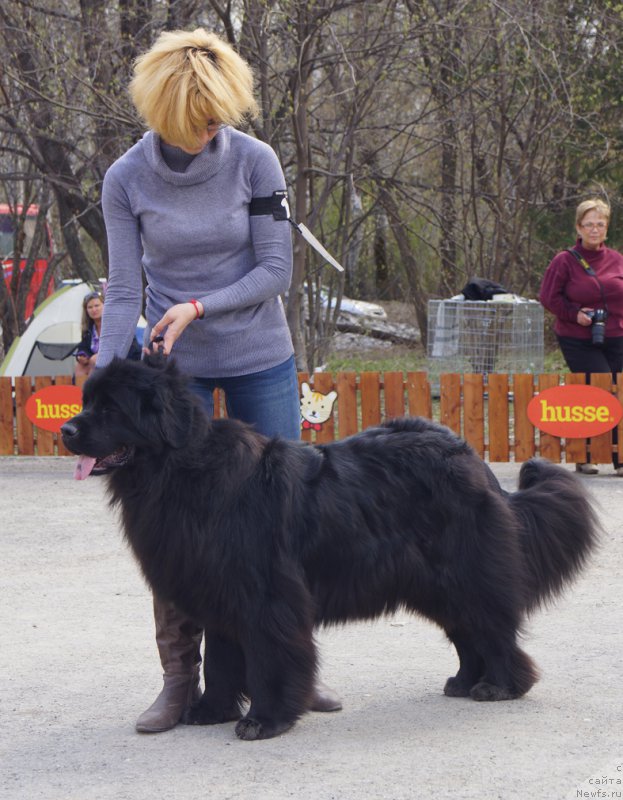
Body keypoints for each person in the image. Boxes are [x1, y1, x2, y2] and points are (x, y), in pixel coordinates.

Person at [96, 27, 341, 733]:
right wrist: (114, 377)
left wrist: (197, 305)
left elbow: (275, 270)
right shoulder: (126, 178)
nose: (212, 129)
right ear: (163, 114)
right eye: (199, 119)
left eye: (219, 116)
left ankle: (288, 667)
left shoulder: (256, 162)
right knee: (171, 530)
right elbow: (120, 288)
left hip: (260, 354)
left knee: (288, 521)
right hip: (177, 381)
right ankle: (181, 680)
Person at [539, 197, 623, 475]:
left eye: (600, 224)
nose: (595, 230)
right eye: (589, 225)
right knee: (598, 389)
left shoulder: (617, 260)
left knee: (619, 392)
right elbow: (548, 297)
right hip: (578, 337)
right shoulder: (565, 261)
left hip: (615, 336)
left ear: (607, 229)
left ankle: (619, 456)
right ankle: (584, 454)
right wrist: (575, 313)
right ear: (578, 228)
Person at [74, 291, 105, 379]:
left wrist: (97, 357)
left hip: (117, 361)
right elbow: (83, 347)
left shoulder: (113, 324)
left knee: (95, 360)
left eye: (97, 306)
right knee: (80, 367)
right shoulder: (88, 328)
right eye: (90, 307)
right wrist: (83, 355)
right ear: (86, 310)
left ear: (104, 306)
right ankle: (79, 391)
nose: (94, 310)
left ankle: (91, 391)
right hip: (94, 363)